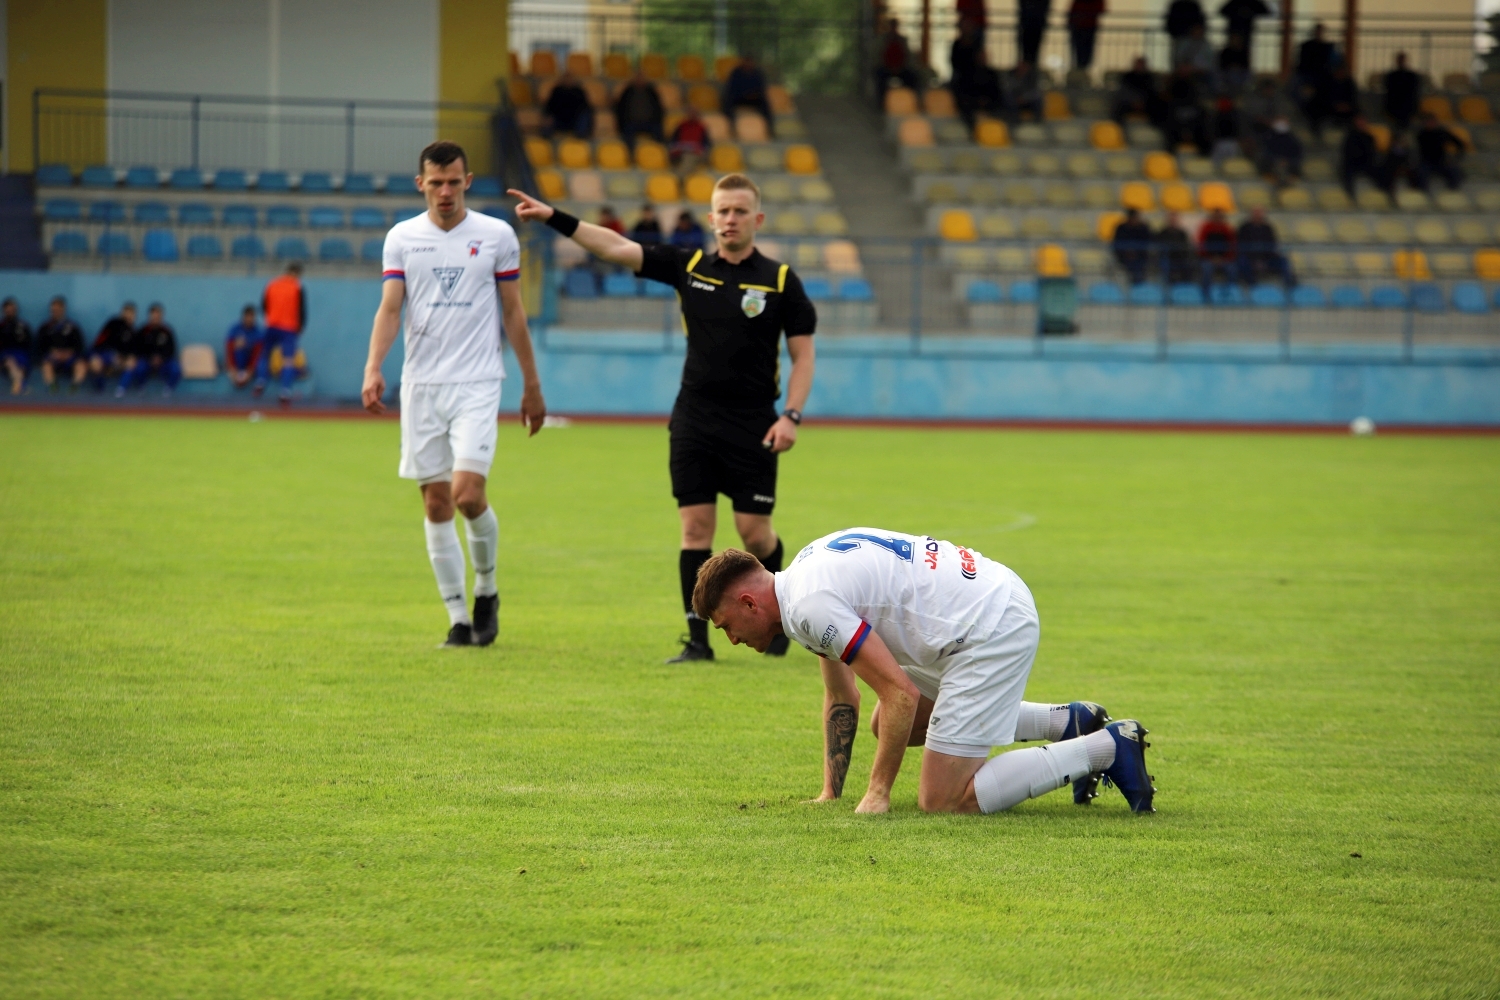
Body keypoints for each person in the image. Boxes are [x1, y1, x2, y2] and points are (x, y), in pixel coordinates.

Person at [511, 172, 816, 664]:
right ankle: (697, 640)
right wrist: (554, 217)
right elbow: (615, 247)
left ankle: (776, 617)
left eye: (741, 211)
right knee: (695, 530)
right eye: (723, 210)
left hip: (754, 424)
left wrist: (792, 417)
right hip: (694, 419)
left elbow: (803, 357)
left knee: (754, 534)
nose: (731, 219)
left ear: (756, 218)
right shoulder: (688, 265)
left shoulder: (781, 281)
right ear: (711, 217)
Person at [690, 534, 1157, 815]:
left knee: (944, 800)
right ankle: (1064, 723)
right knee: (885, 727)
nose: (731, 640)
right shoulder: (800, 583)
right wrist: (831, 792)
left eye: (727, 626)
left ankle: (1105, 748)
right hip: (980, 605)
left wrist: (878, 793)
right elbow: (842, 699)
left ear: (749, 603)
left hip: (989, 626)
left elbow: (900, 693)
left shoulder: (808, 606)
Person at [363, 140, 548, 648]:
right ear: (420, 183)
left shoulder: (495, 235)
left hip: (478, 382)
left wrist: (532, 385)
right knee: (436, 504)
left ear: (467, 181)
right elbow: (390, 309)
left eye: (453, 182)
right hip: (422, 385)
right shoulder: (402, 238)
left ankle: (486, 589)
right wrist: (374, 367)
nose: (444, 191)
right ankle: (458, 619)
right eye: (435, 182)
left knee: (468, 495)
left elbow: (513, 312)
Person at [256, 262, 307, 405]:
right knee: (288, 360)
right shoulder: (297, 287)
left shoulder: (272, 284)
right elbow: (301, 309)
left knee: (265, 354)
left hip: (272, 325)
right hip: (289, 327)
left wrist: (271, 317)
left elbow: (264, 305)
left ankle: (261, 380)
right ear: (297, 273)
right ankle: (285, 390)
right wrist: (301, 326)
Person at [950, 19, 1003, 128]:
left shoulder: (991, 73)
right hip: (970, 94)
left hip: (986, 99)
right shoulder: (957, 45)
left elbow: (995, 90)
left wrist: (985, 99)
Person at [118, 303, 180, 395]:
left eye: (158, 316)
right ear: (150, 316)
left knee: (176, 369)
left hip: (164, 361)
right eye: (153, 316)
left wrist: (161, 358)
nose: (155, 319)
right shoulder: (143, 331)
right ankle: (141, 387)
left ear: (161, 316)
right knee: (139, 368)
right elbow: (138, 349)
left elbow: (172, 350)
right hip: (147, 361)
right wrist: (150, 358)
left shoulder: (167, 331)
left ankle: (168, 389)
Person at [35, 296, 86, 392]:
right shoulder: (45, 327)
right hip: (53, 357)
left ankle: (74, 387)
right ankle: (52, 386)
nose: (55, 312)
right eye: (53, 310)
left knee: (81, 365)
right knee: (46, 365)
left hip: (70, 357)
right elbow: (40, 346)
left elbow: (79, 345)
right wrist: (52, 352)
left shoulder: (73, 327)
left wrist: (68, 353)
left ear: (63, 309)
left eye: (58, 309)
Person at [1236, 208, 1293, 286]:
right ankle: (1252, 285)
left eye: (1260, 214)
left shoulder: (1268, 228)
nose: (1258, 216)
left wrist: (1264, 259)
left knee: (1283, 261)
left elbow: (1272, 244)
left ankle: (1289, 286)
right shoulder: (1244, 228)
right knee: (1242, 261)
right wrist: (1255, 260)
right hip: (1249, 258)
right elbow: (1241, 245)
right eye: (1256, 214)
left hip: (1267, 258)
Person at [1294, 23, 1336, 128]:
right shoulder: (1307, 46)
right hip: (1307, 77)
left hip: (1322, 80)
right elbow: (1301, 65)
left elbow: (1334, 64)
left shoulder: (1328, 47)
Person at [88, 301, 136, 393]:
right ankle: (100, 389)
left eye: (132, 314)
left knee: (131, 363)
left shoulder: (133, 332)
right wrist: (109, 356)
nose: (129, 316)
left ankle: (120, 390)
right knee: (96, 364)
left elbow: (131, 351)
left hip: (119, 359)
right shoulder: (113, 324)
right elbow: (99, 343)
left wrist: (124, 358)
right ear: (122, 313)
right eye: (127, 313)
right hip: (102, 353)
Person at [1163, 65, 1211, 155]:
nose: (1185, 71)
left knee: (1205, 138)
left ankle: (1203, 161)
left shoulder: (1195, 84)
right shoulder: (1173, 85)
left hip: (1193, 124)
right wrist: (1183, 131)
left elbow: (1198, 110)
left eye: (1187, 69)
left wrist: (1190, 132)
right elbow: (1170, 115)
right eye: (1183, 69)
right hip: (1176, 124)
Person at [723, 56, 775, 138]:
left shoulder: (758, 74)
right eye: (746, 62)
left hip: (754, 99)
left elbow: (761, 89)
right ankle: (731, 125)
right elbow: (732, 89)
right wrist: (744, 94)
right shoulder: (736, 73)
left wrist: (754, 94)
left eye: (750, 62)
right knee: (727, 99)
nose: (748, 65)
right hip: (739, 97)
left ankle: (769, 128)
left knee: (765, 102)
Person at [614, 71, 664, 150]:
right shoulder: (628, 92)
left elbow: (659, 108)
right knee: (627, 134)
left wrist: (656, 119)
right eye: (638, 78)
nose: (639, 80)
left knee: (659, 132)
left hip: (650, 122)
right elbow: (620, 108)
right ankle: (631, 155)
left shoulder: (651, 92)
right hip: (632, 122)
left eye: (641, 78)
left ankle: (661, 151)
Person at [1415, 113, 1464, 191]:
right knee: (1420, 173)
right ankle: (1423, 193)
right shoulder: (1421, 134)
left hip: (1441, 161)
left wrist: (1455, 157)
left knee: (1455, 171)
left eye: (1432, 122)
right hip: (1426, 161)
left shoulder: (1442, 133)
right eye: (1428, 122)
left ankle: (1453, 192)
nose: (1431, 124)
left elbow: (1459, 143)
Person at [1340, 116, 1384, 199]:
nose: (1361, 124)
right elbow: (1348, 152)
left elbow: (1372, 152)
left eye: (1363, 122)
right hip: (1352, 163)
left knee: (1380, 171)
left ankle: (1382, 193)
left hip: (1366, 163)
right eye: (1359, 122)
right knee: (1347, 173)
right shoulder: (1350, 136)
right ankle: (1350, 196)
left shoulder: (1369, 137)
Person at [1112, 56, 1163, 126]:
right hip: (1129, 102)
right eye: (1138, 64)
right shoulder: (1127, 77)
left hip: (1145, 103)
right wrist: (1134, 101)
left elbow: (1152, 92)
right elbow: (1123, 91)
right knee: (1118, 107)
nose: (1140, 66)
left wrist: (1142, 102)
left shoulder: (1149, 78)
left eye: (1141, 65)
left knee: (1158, 106)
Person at [875, 18, 920, 96]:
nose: (893, 28)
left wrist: (900, 67)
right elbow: (879, 56)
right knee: (880, 77)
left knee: (912, 77)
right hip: (886, 68)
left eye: (894, 26)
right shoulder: (882, 40)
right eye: (891, 26)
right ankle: (881, 101)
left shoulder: (902, 40)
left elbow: (907, 56)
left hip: (901, 68)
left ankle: (910, 99)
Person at [1197, 209, 1237, 293]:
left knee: (1232, 269)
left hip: (1224, 259)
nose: (1217, 218)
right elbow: (1201, 245)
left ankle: (1230, 292)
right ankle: (1206, 292)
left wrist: (1224, 258)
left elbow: (1232, 245)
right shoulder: (1206, 228)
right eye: (1215, 216)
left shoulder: (1226, 228)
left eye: (1219, 216)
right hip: (1208, 259)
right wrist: (1211, 258)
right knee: (1206, 269)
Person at [543, 71, 593, 139]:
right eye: (566, 78)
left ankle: (582, 135)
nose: (568, 80)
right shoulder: (557, 91)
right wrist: (548, 116)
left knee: (585, 115)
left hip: (575, 120)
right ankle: (545, 137)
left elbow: (586, 107)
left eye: (570, 78)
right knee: (548, 118)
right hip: (559, 119)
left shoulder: (579, 91)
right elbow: (549, 106)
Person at [225, 304, 264, 389]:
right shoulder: (235, 329)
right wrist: (231, 368)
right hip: (237, 364)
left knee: (262, 360)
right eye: (248, 316)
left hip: (250, 365)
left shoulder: (258, 332)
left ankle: (259, 382)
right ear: (243, 317)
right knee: (239, 345)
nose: (250, 319)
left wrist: (250, 371)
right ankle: (237, 372)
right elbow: (229, 349)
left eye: (252, 316)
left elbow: (258, 353)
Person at [1112, 208, 1154, 284]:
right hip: (1124, 257)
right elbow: (1117, 244)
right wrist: (1127, 252)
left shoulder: (1143, 228)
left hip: (1141, 256)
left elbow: (1149, 241)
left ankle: (1139, 285)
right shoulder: (1121, 228)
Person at [0, 297, 33, 395]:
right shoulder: (1, 326)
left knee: (21, 366)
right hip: (5, 353)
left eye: (12, 309)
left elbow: (28, 343)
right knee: (10, 361)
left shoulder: (23, 325)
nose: (10, 311)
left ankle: (18, 386)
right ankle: (21, 384)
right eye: (8, 309)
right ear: (4, 310)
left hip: (20, 353)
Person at [1258, 116, 1303, 186]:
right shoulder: (1268, 137)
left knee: (1287, 168)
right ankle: (1283, 185)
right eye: (1279, 121)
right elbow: (1265, 153)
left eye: (1284, 122)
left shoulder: (1292, 139)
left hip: (1289, 165)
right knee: (1280, 168)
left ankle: (1285, 185)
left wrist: (1288, 161)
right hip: (1272, 164)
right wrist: (1277, 160)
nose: (1281, 124)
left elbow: (1298, 154)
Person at [1383, 53, 1421, 133]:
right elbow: (1389, 91)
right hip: (1394, 106)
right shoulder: (1391, 76)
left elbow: (1414, 92)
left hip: (1407, 107)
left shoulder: (1412, 76)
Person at [1156, 213, 1195, 284]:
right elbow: (1160, 246)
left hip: (1180, 258)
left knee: (1189, 265)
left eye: (1174, 219)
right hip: (1167, 258)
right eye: (1171, 220)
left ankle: (1185, 286)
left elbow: (1185, 246)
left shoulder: (1182, 233)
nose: (1173, 221)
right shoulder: (1163, 233)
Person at [1067, 0, 1105, 72]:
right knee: (1083, 53)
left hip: (1083, 28)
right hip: (1083, 28)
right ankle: (1081, 70)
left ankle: (1081, 70)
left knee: (1082, 53)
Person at [669, 107, 710, 171]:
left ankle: (680, 177)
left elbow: (706, 145)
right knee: (686, 157)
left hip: (695, 154)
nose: (692, 115)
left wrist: (697, 149)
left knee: (689, 157)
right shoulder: (681, 126)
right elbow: (673, 142)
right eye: (691, 113)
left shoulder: (701, 128)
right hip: (680, 153)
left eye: (695, 113)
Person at [1017, 0, 1052, 68]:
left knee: (1029, 51)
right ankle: (1028, 66)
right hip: (1031, 24)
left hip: (1031, 24)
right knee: (1030, 51)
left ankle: (1028, 67)